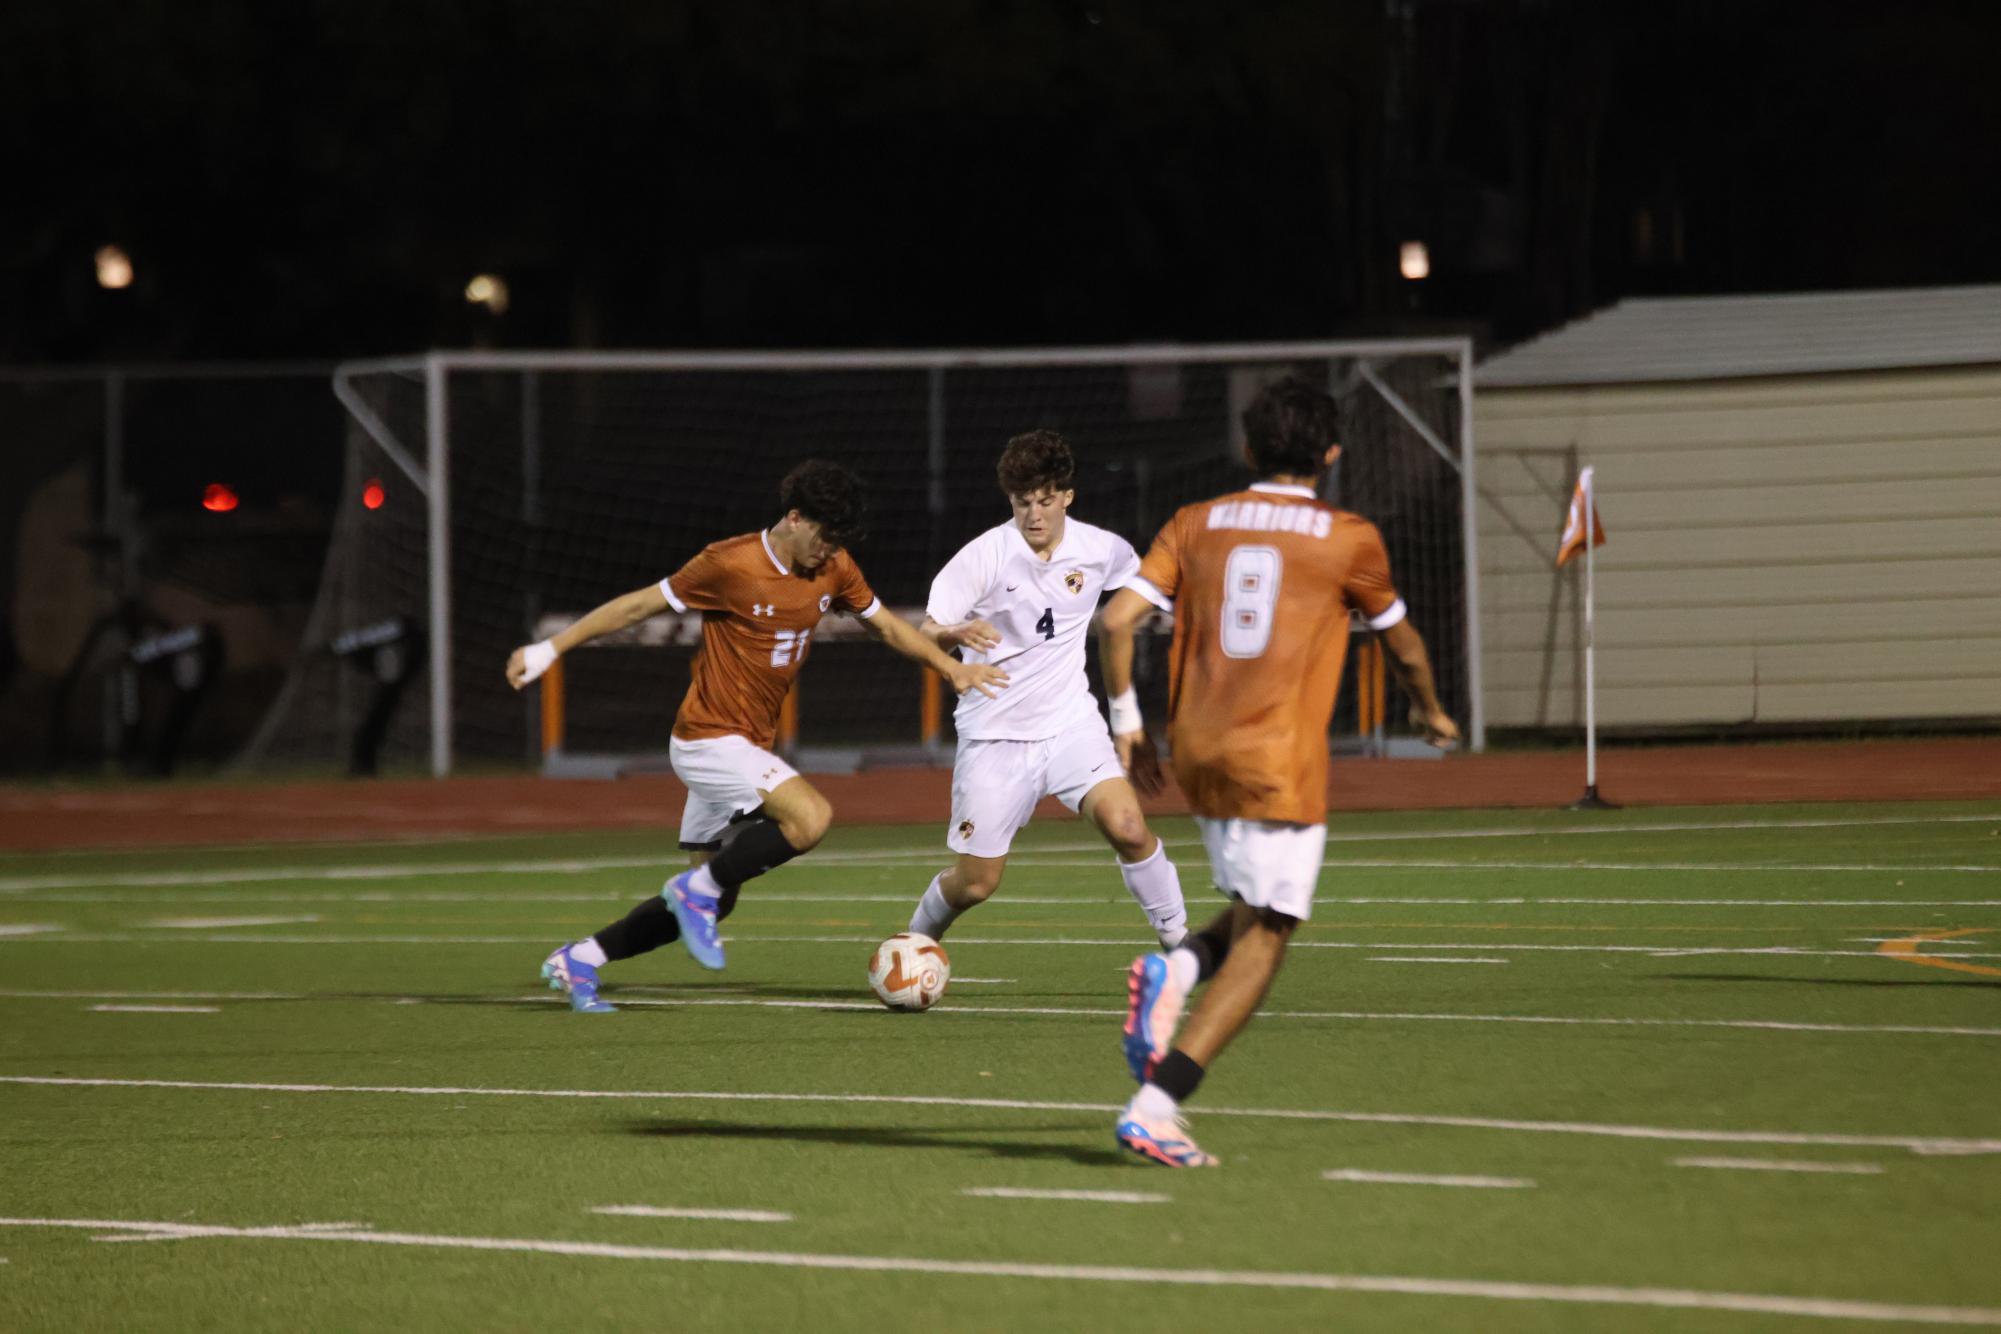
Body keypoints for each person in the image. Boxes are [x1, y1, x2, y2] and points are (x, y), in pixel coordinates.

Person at [1095, 378, 1460, 1166]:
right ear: (1330, 454)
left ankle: (1179, 966)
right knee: (1271, 933)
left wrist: (1127, 724)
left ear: (1249, 450)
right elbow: (1400, 643)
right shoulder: (1347, 535)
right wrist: (1429, 711)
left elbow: (1116, 621)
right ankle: (1156, 1106)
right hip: (1274, 758)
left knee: (1255, 907)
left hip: (1196, 747)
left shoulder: (1195, 521)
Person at [506, 459, 1007, 1013]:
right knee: (809, 818)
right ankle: (691, 893)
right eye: (823, 535)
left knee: (716, 902)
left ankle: (581, 960)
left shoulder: (835, 567)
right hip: (706, 741)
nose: (829, 551)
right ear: (794, 518)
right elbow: (635, 606)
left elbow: (887, 626)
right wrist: (550, 649)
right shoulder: (729, 563)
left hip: (745, 749)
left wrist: (953, 668)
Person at [907, 430, 1188, 951]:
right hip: (996, 735)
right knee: (977, 883)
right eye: (1021, 503)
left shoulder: (1101, 550)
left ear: (1067, 497)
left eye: (1044, 500)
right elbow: (924, 632)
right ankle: (915, 940)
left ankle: (1180, 942)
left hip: (1069, 726)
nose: (1034, 514)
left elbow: (1149, 587)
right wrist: (952, 638)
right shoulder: (984, 556)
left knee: (1127, 825)